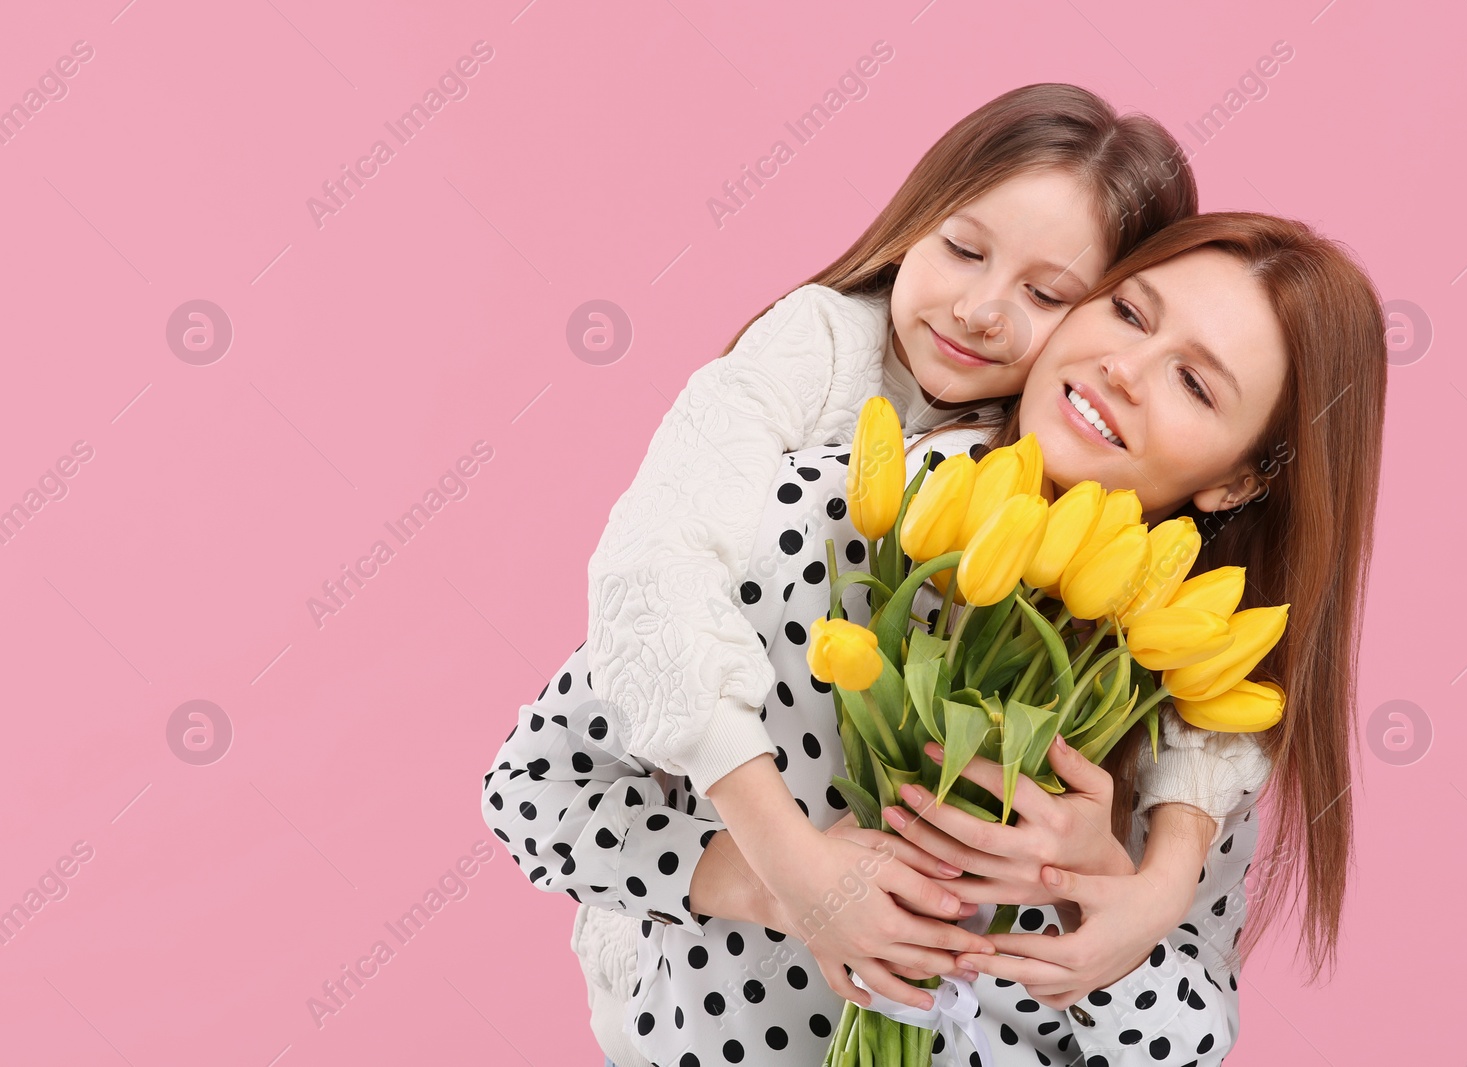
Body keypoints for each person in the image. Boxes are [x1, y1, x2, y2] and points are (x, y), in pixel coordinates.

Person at [483, 212, 1387, 1064]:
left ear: (1237, 482)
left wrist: (1107, 907)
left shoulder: (1185, 697)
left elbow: (1190, 1039)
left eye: (1193, 382)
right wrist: (771, 882)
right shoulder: (821, 523)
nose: (1124, 366)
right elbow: (536, 789)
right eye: (1125, 311)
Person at [579, 84, 1223, 1064]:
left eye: (1047, 295)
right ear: (914, 221)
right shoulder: (818, 372)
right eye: (963, 248)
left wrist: (1163, 876)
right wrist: (788, 868)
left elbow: (1189, 1015)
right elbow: (647, 566)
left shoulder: (1094, 517)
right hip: (696, 986)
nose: (977, 308)